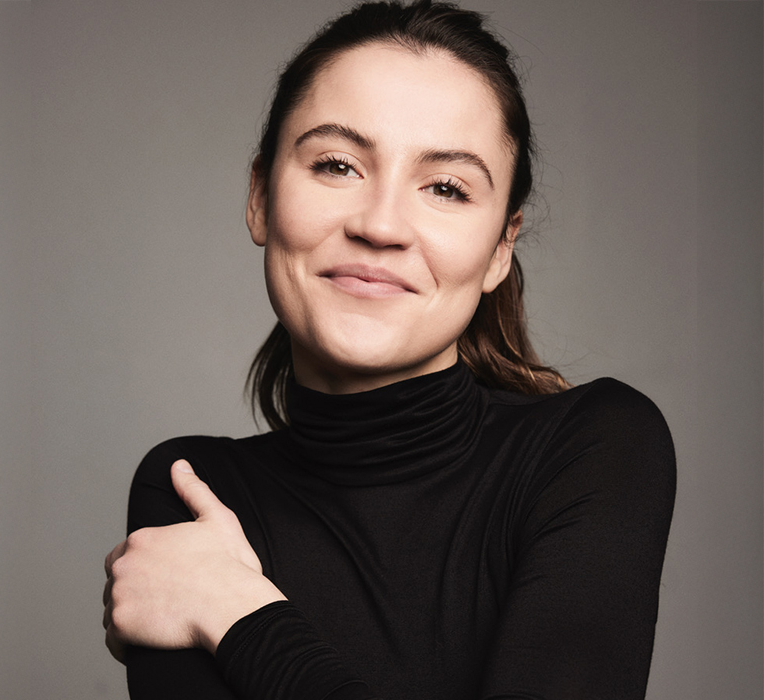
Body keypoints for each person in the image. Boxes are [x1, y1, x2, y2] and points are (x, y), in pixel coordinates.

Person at [102, 1, 676, 698]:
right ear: (260, 196)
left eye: (445, 187)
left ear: (501, 248)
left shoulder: (598, 444)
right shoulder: (191, 491)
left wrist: (236, 612)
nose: (380, 225)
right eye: (338, 165)